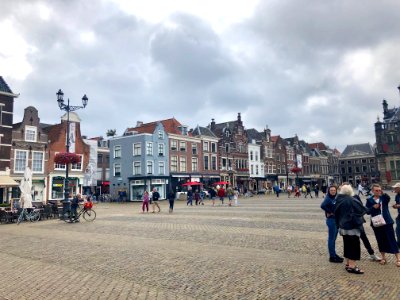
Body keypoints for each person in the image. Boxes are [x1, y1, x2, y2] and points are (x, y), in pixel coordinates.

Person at [335, 184, 367, 274]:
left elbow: (335, 212)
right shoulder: (352, 199)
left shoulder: (338, 199)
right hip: (352, 226)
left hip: (342, 226)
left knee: (347, 245)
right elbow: (362, 210)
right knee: (354, 246)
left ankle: (348, 264)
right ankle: (352, 267)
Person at [365, 184, 400, 266]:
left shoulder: (383, 198)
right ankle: (383, 257)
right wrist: (373, 207)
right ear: (373, 191)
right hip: (376, 223)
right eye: (376, 190)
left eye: (379, 190)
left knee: (391, 239)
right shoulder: (369, 200)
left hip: (387, 222)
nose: (378, 192)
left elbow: (388, 198)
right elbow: (367, 211)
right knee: (380, 240)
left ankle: (398, 258)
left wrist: (383, 193)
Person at [320, 185, 343, 263]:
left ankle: (334, 254)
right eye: (331, 190)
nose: (333, 191)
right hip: (331, 221)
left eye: (334, 190)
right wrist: (329, 212)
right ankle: (332, 257)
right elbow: (322, 205)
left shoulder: (334, 198)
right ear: (329, 191)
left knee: (333, 239)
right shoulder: (328, 198)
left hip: (335, 220)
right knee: (331, 239)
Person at [392, 182, 400, 248]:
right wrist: (395, 206)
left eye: (395, 188)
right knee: (398, 231)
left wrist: (398, 206)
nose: (394, 189)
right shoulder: (397, 195)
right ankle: (398, 244)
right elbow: (397, 204)